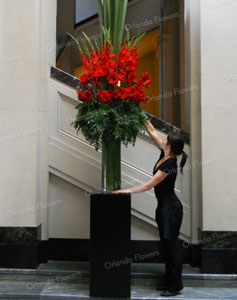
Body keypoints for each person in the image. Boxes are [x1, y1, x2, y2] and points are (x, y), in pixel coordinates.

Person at [113, 119, 188, 297]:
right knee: (166, 244)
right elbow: (152, 130)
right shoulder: (165, 153)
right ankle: (169, 281)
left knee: (171, 246)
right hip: (164, 206)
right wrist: (138, 112)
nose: (162, 139)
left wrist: (126, 191)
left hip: (170, 208)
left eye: (165, 139)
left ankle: (176, 285)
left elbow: (148, 186)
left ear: (168, 145)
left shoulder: (169, 164)